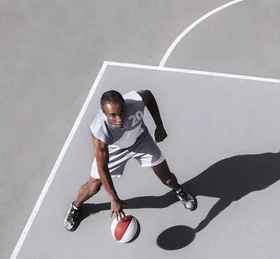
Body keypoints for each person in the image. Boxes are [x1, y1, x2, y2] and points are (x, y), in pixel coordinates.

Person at [64, 89, 196, 231]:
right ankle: (75, 206)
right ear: (104, 112)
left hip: (140, 140)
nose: (119, 119)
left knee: (168, 179)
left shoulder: (136, 101)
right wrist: (114, 199)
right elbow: (102, 167)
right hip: (115, 149)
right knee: (94, 185)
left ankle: (179, 191)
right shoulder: (99, 130)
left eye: (121, 112)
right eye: (112, 115)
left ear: (125, 106)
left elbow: (149, 96)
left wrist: (159, 125)